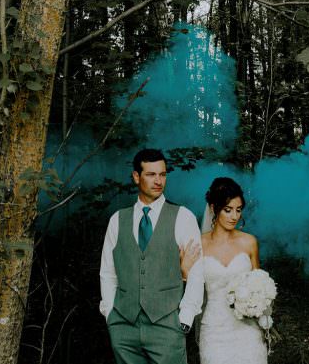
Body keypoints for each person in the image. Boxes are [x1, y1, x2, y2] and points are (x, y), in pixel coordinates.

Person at [100, 149, 204, 364]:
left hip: (167, 325)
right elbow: (108, 272)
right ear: (136, 176)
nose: (158, 181)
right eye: (151, 174)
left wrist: (185, 318)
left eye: (163, 174)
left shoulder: (183, 217)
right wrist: (110, 314)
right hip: (124, 327)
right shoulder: (117, 220)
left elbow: (196, 272)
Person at [183, 177, 267, 364]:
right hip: (214, 329)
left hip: (247, 329)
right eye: (227, 210)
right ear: (213, 208)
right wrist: (184, 271)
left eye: (238, 210)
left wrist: (259, 303)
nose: (234, 216)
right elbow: (190, 286)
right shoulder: (199, 244)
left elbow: (259, 284)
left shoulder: (249, 242)